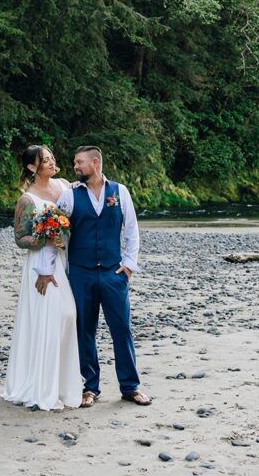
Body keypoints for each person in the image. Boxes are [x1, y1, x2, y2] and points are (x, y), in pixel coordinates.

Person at [35, 145, 152, 408]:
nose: (75, 167)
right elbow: (55, 234)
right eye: (75, 163)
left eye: (79, 163)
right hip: (81, 274)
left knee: (121, 329)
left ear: (95, 163)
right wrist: (45, 270)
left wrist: (129, 265)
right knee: (84, 330)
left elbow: (132, 230)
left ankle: (130, 387)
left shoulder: (120, 191)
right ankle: (90, 388)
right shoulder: (69, 196)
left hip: (113, 273)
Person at [1, 144, 83, 411]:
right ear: (32, 167)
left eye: (51, 158)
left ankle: (63, 385)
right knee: (49, 319)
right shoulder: (27, 199)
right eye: (45, 160)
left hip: (61, 260)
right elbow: (19, 238)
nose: (51, 162)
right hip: (39, 265)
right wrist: (43, 236)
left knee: (68, 315)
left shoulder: (64, 187)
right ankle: (42, 387)